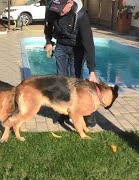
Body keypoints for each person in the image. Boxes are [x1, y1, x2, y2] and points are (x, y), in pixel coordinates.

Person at [44, 0, 97, 128]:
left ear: (70, 3)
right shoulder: (53, 9)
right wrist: (49, 41)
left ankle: (88, 114)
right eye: (57, 8)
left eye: (62, 8)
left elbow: (88, 43)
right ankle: (64, 113)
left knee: (76, 82)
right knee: (61, 81)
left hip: (77, 49)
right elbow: (48, 26)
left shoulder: (81, 16)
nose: (59, 11)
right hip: (61, 46)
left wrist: (92, 70)